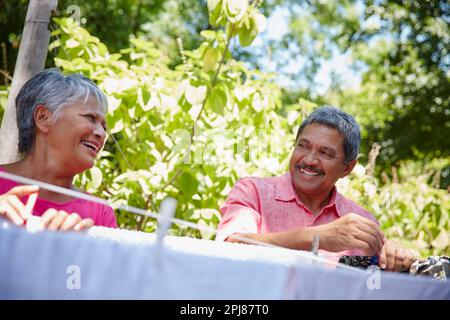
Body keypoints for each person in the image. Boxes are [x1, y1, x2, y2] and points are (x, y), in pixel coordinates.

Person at [217, 106, 415, 272]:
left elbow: (375, 278)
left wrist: (394, 255)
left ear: (347, 168)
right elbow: (229, 248)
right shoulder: (253, 191)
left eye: (325, 153)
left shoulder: (361, 220)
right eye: (303, 146)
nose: (310, 160)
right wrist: (316, 238)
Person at [0, 68, 117, 231]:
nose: (102, 133)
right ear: (43, 117)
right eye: (90, 117)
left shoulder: (100, 213)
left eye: (104, 126)